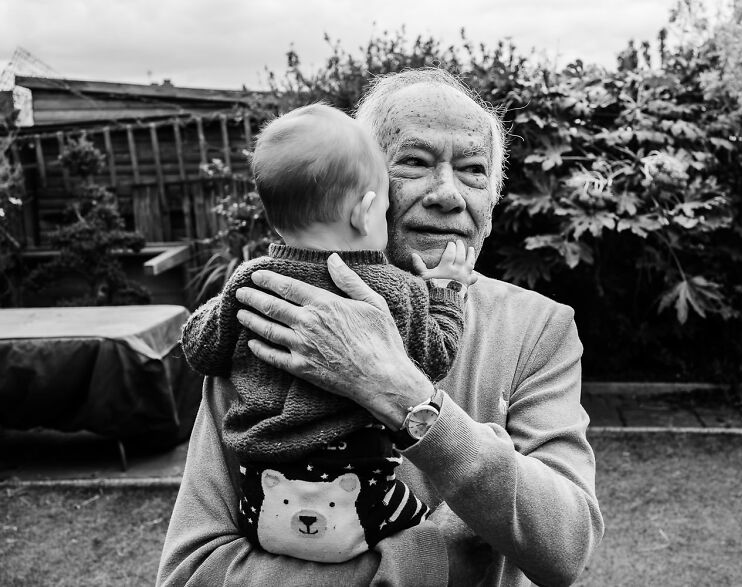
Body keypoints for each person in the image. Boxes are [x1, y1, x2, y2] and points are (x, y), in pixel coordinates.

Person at [158, 68, 604, 587]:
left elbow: (566, 547)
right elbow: (193, 572)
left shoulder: (539, 327)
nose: (447, 194)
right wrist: (436, 564)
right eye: (414, 162)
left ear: (491, 199)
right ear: (361, 186)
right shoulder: (274, 315)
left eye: (473, 170)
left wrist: (401, 392)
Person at [179, 104, 477, 564]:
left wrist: (221, 307)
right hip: (363, 501)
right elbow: (436, 356)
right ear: (366, 211)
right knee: (451, 541)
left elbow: (199, 350)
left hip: (259, 500)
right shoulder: (395, 291)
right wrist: (445, 292)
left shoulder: (252, 282)